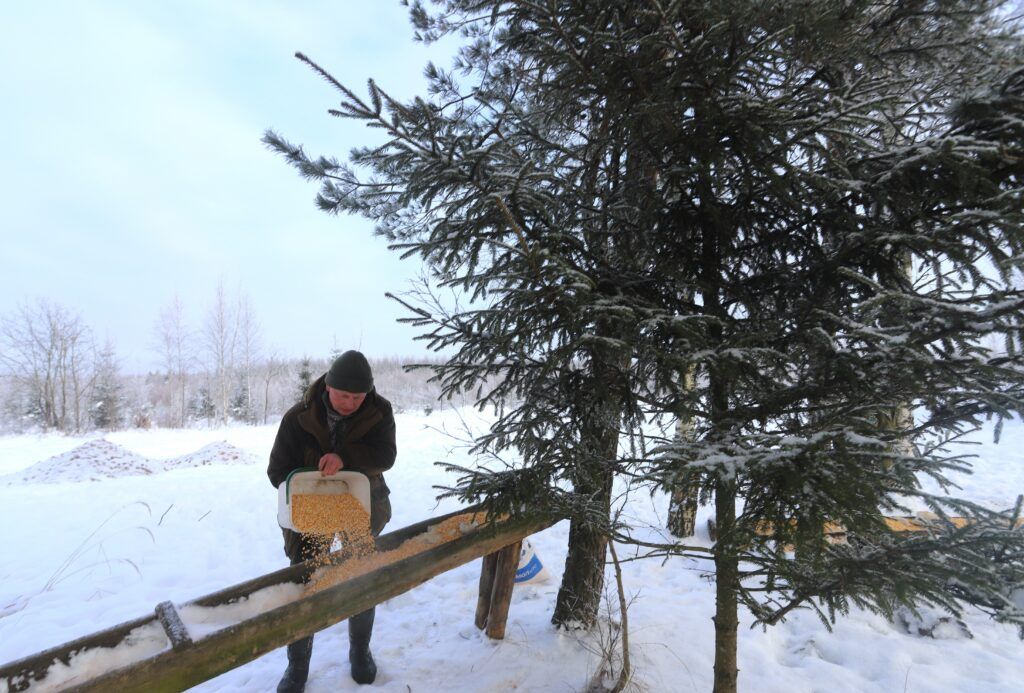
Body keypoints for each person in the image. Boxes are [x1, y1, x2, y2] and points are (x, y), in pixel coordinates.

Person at [267, 350, 396, 690]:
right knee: (306, 581)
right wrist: (314, 476)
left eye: (358, 397)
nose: (350, 403)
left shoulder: (379, 412)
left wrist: (345, 458)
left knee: (361, 572)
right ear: (327, 387)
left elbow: (386, 455)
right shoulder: (298, 417)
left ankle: (360, 651)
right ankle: (297, 666)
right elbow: (277, 471)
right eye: (343, 395)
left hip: (360, 501)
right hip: (312, 507)